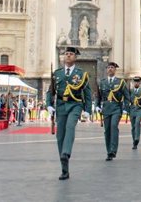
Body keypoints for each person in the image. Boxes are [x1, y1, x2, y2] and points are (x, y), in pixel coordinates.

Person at [46, 47, 92, 180]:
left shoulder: (81, 74)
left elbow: (87, 93)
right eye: (66, 54)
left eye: (71, 54)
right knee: (60, 135)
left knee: (70, 127)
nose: (68, 56)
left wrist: (88, 110)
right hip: (60, 105)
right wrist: (48, 104)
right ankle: (64, 168)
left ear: (75, 57)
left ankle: (66, 152)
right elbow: (51, 90)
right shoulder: (57, 73)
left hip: (75, 104)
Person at [96, 62, 130, 161]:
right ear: (106, 70)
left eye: (112, 67)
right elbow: (99, 96)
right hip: (106, 108)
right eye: (109, 67)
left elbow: (127, 97)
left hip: (116, 108)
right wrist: (97, 106)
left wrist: (125, 108)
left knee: (114, 126)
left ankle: (113, 150)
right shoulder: (102, 82)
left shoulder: (120, 82)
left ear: (115, 70)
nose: (110, 69)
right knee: (107, 130)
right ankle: (109, 151)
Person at [128, 76, 141, 150]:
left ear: (140, 83)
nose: (136, 83)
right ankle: (134, 142)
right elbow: (127, 100)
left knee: (137, 123)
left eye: (137, 82)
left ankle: (137, 138)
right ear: (133, 83)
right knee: (133, 127)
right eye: (135, 82)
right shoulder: (130, 91)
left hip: (139, 109)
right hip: (132, 110)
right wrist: (126, 109)